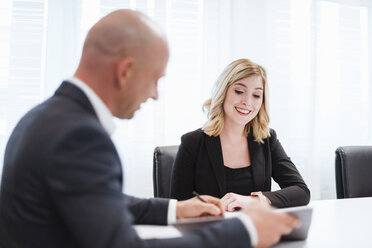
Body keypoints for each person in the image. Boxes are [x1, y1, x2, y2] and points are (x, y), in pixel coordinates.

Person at [0, 10, 300, 248]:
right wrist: (244, 232)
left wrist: (176, 210)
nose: (155, 94)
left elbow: (103, 201)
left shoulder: (44, 118)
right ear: (125, 71)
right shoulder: (80, 137)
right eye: (154, 78)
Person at [170, 58, 310, 211]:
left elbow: (301, 191)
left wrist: (256, 200)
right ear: (223, 92)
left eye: (256, 95)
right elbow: (178, 208)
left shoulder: (267, 140)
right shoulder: (192, 142)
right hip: (210, 231)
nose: (248, 102)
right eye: (239, 91)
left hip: (256, 231)